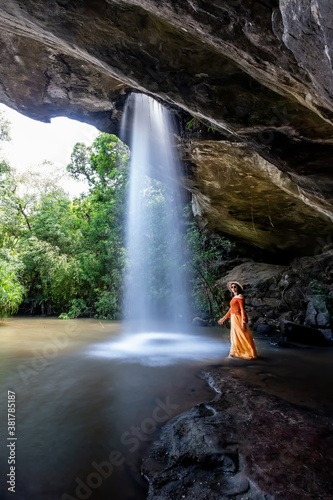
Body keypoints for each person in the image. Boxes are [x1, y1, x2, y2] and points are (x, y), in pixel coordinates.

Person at [218, 281, 257, 359]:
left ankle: (248, 352)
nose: (233, 288)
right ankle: (233, 352)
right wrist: (224, 318)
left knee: (241, 335)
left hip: (238, 318)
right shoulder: (234, 297)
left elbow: (243, 310)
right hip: (233, 318)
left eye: (235, 287)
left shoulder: (240, 297)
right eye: (232, 287)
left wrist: (244, 322)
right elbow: (231, 309)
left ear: (238, 288)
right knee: (234, 335)